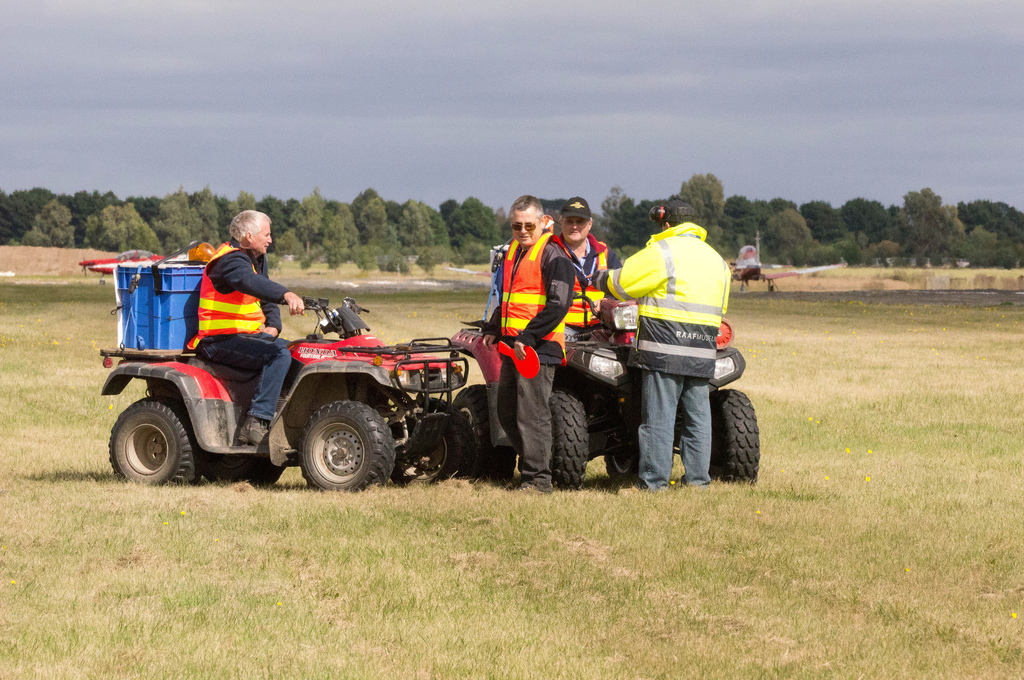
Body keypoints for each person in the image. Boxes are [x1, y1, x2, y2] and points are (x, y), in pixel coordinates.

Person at [592, 200, 730, 490]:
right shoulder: (717, 260)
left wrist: (600, 278)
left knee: (659, 419)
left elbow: (625, 284)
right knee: (697, 420)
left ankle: (654, 483)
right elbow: (722, 307)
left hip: (664, 349)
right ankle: (697, 482)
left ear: (667, 225)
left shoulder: (662, 251)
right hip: (702, 350)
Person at [187, 210, 306, 445]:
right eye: (267, 235)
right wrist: (286, 294)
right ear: (249, 236)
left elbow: (264, 290)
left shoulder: (255, 258)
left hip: (245, 336)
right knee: (278, 355)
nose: (270, 240)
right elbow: (251, 283)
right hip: (217, 341)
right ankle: (256, 422)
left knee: (296, 350)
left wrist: (273, 325)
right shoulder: (229, 261)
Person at [481, 195, 574, 493]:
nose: (522, 231)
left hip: (539, 349)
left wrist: (529, 336)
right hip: (512, 347)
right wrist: (494, 326)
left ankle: (538, 480)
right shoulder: (512, 253)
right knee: (506, 412)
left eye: (528, 225)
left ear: (542, 222)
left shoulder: (554, 256)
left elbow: (558, 306)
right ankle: (537, 465)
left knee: (532, 415)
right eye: (516, 225)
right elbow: (508, 299)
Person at [554, 196, 622, 331]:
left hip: (601, 329)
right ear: (561, 222)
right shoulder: (551, 252)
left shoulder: (606, 253)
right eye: (569, 221)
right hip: (561, 330)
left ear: (590, 224)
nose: (574, 226)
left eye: (580, 221)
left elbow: (622, 286)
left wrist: (607, 302)